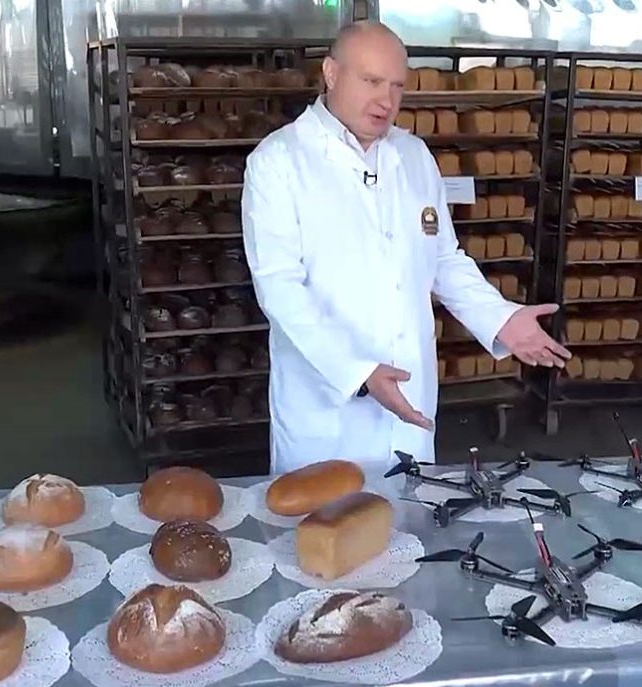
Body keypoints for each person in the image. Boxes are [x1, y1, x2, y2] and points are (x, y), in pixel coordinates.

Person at [241, 21, 570, 476]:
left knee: (409, 512)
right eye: (371, 81)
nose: (387, 100)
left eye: (397, 86)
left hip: (409, 399)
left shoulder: (413, 155)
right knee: (324, 516)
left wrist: (499, 317)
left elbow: (443, 258)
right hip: (326, 414)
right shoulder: (278, 162)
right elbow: (280, 289)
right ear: (331, 73)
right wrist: (358, 371)